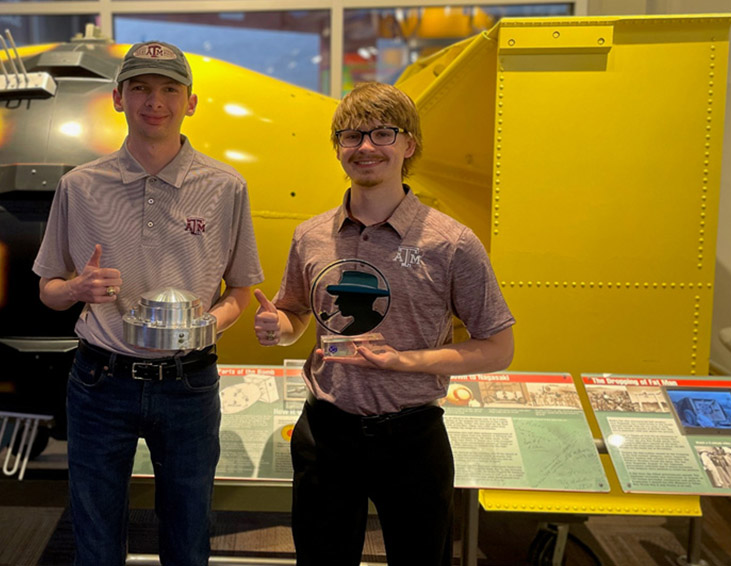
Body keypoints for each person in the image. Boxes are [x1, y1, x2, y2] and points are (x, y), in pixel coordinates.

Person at [253, 81, 515, 566]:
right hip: (326, 433)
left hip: (412, 437)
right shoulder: (310, 236)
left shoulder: (451, 242)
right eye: (351, 136)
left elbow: (498, 348)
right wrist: (279, 328)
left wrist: (404, 362)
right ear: (338, 148)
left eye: (382, 134)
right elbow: (295, 313)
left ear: (409, 145)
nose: (366, 147)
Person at [33, 41, 263, 566]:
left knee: (188, 537)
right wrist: (76, 290)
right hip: (100, 382)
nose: (154, 101)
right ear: (118, 98)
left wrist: (203, 327)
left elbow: (240, 292)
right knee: (95, 541)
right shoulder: (78, 186)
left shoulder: (225, 187)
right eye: (139, 88)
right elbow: (48, 288)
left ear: (191, 102)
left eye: (169, 89)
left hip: (188, 383)